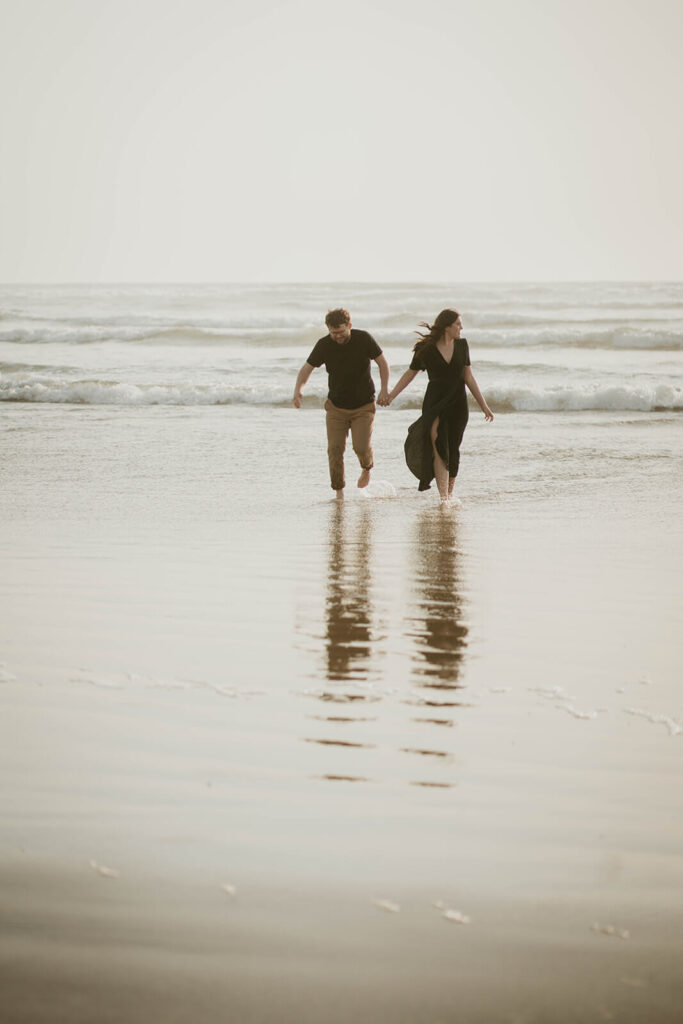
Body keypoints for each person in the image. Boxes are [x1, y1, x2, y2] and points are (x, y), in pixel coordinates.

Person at [381, 309, 493, 503]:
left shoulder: (462, 345)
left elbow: (468, 377)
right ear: (447, 326)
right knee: (438, 444)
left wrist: (484, 406)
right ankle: (443, 498)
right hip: (435, 402)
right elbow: (410, 373)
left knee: (453, 448)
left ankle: (449, 493)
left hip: (458, 403)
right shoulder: (426, 348)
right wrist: (391, 395)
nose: (461, 327)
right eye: (458, 324)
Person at [293, 308, 390, 498]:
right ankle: (339, 494)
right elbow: (306, 369)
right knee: (335, 450)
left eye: (341, 332)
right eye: (333, 333)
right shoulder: (324, 344)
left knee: (360, 447)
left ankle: (367, 467)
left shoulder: (364, 339)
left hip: (363, 406)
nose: (337, 336)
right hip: (336, 407)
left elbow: (382, 363)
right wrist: (298, 390)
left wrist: (385, 389)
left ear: (349, 326)